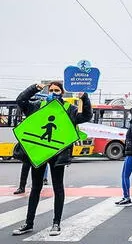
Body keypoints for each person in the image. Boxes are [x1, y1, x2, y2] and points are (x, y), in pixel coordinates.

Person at [12, 82, 92, 236]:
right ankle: (28, 223)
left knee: (58, 188)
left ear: (62, 93)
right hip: (39, 154)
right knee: (35, 189)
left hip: (58, 155)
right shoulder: (37, 106)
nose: (54, 92)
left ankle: (56, 223)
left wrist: (84, 98)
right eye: (51, 90)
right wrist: (35, 88)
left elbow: (86, 116)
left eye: (57, 90)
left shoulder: (69, 109)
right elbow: (20, 101)